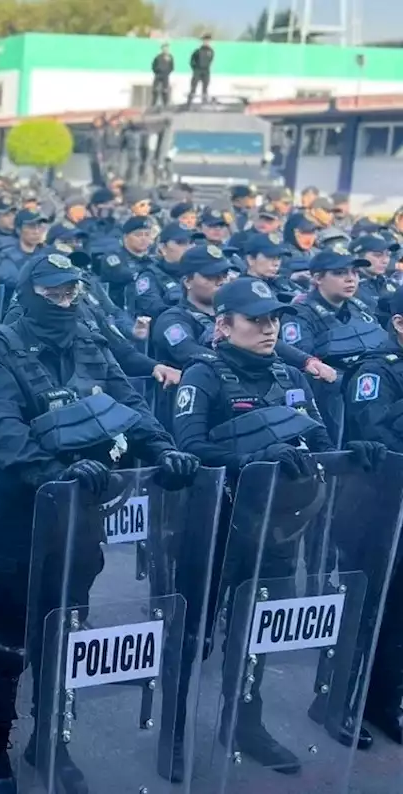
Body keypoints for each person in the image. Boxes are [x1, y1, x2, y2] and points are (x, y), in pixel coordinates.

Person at [0, 250, 200, 794]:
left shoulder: (91, 342)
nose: (66, 301)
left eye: (72, 292)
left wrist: (164, 450)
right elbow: (2, 432)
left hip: (80, 517)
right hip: (15, 516)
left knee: (66, 630)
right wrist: (58, 473)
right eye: (53, 293)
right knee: (9, 639)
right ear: (28, 296)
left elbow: (131, 403)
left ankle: (53, 739)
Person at [168, 276, 385, 776]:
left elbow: (318, 440)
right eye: (256, 320)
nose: (269, 329)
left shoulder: (291, 376)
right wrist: (254, 458)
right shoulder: (204, 375)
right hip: (217, 527)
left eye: (273, 320)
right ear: (224, 325)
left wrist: (352, 454)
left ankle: (243, 721)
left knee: (256, 631)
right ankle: (176, 730)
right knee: (196, 635)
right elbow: (190, 448)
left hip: (278, 526)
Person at [342, 286, 403, 745]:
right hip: (378, 509)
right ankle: (340, 702)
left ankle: (384, 700)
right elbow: (374, 435)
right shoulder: (376, 372)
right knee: (365, 607)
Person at [283, 245, 390, 445]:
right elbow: (302, 362)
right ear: (317, 278)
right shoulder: (299, 313)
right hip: (330, 393)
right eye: (340, 273)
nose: (351, 279)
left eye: (354, 273)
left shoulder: (360, 307)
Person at [189, 34, 214, 102]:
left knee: (205, 88)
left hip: (206, 71)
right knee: (193, 87)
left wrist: (206, 67)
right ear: (203, 41)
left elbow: (210, 60)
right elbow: (192, 60)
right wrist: (195, 68)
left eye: (208, 41)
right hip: (198, 70)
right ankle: (189, 102)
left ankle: (204, 102)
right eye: (205, 41)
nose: (207, 42)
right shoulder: (198, 51)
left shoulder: (211, 51)